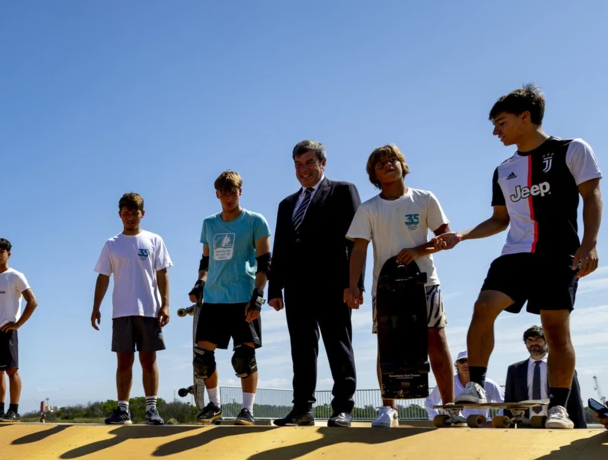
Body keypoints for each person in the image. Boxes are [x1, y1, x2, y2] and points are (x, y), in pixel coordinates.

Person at [439, 84, 602, 429]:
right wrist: (463, 235)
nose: (495, 131)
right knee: (483, 307)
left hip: (559, 254)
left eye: (501, 122)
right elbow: (500, 219)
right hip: (516, 253)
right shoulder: (503, 169)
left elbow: (592, 196)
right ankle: (476, 385)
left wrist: (589, 244)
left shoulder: (571, 149)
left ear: (525, 117)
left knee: (555, 330)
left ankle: (558, 407)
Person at [345, 145, 454, 428]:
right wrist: (352, 285)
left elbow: (446, 237)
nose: (386, 165)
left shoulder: (424, 198)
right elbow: (358, 249)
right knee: (387, 346)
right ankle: (388, 408)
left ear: (402, 165)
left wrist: (419, 249)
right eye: (379, 163)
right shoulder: (369, 209)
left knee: (436, 341)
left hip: (425, 283)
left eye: (391, 159)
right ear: (374, 174)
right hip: (385, 288)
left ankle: (450, 406)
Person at [268, 140, 362, 427]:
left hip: (334, 285)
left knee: (338, 345)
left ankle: (343, 407)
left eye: (309, 162)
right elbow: (281, 247)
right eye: (298, 164)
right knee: (301, 349)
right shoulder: (286, 204)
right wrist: (275, 288)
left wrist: (354, 283)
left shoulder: (343, 191)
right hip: (296, 289)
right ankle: (302, 408)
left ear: (323, 162)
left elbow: (357, 241)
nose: (303, 169)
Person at [191, 171, 270, 426]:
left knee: (243, 359)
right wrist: (200, 284)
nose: (228, 197)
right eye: (223, 193)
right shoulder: (209, 224)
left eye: (232, 191)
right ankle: (214, 406)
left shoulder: (255, 221)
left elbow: (265, 262)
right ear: (217, 195)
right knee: (202, 359)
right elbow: (205, 260)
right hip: (214, 298)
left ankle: (247, 410)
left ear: (240, 192)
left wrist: (258, 294)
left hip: (242, 296)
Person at [91, 192, 173, 425]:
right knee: (124, 362)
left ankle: (151, 409)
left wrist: (165, 304)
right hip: (121, 311)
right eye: (125, 214)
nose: (130, 218)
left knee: (149, 361)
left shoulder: (154, 240)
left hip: (149, 310)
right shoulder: (112, 244)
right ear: (119, 215)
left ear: (142, 214)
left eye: (134, 213)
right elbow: (103, 277)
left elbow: (162, 273)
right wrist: (96, 307)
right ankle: (123, 410)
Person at [0, 239, 38, 422]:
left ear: (8, 254)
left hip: (7, 329)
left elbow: (32, 302)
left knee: (11, 370)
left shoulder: (15, 276)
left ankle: (14, 411)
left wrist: (17, 324)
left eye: (1, 252)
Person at [503, 324, 586, 427]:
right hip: (525, 426)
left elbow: (575, 401)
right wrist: (506, 427)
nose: (534, 343)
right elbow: (509, 402)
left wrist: (581, 428)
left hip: (557, 425)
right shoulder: (514, 370)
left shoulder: (562, 368)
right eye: (530, 340)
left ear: (547, 342)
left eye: (538, 340)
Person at [425, 350, 503, 425]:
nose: (466, 364)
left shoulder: (488, 383)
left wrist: (494, 422)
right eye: (462, 361)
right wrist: (439, 420)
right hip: (454, 427)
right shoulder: (448, 383)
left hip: (480, 426)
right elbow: (429, 403)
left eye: (469, 361)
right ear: (457, 365)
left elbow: (506, 402)